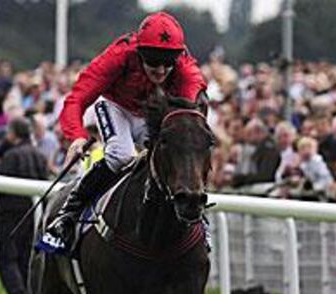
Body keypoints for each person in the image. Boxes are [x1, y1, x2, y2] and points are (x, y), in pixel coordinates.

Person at [37, 12, 208, 254]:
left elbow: (189, 116)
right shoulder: (119, 55)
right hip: (116, 107)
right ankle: (67, 215)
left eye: (167, 62)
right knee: (121, 155)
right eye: (153, 61)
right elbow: (77, 98)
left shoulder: (185, 69)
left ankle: (196, 217)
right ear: (140, 53)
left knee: (175, 154)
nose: (161, 70)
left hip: (154, 113)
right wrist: (76, 136)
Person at [0, 117, 49, 294]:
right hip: (32, 213)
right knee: (26, 257)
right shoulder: (39, 155)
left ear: (13, 134)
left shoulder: (11, 155)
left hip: (10, 213)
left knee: (7, 258)